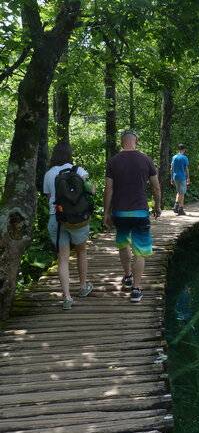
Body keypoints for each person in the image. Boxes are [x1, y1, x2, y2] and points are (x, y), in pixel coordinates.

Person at [103, 130, 161, 303]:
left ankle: (127, 276)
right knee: (140, 251)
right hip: (140, 212)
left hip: (120, 212)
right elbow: (156, 187)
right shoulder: (146, 159)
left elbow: (109, 188)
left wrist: (106, 212)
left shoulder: (113, 161)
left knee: (123, 244)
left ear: (122, 142)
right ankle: (136, 290)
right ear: (136, 141)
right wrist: (157, 206)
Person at [43, 142, 94, 310]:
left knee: (63, 258)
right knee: (81, 251)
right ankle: (83, 287)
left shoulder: (49, 173)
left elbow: (49, 197)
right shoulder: (78, 170)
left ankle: (66, 297)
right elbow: (91, 190)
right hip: (78, 219)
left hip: (56, 218)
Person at [171, 144, 190, 216]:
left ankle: (176, 206)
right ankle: (180, 208)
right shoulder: (184, 158)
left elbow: (171, 168)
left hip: (175, 176)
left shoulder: (174, 157)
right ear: (184, 149)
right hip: (182, 177)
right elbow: (186, 169)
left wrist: (171, 178)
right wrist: (188, 177)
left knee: (178, 192)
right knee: (182, 193)